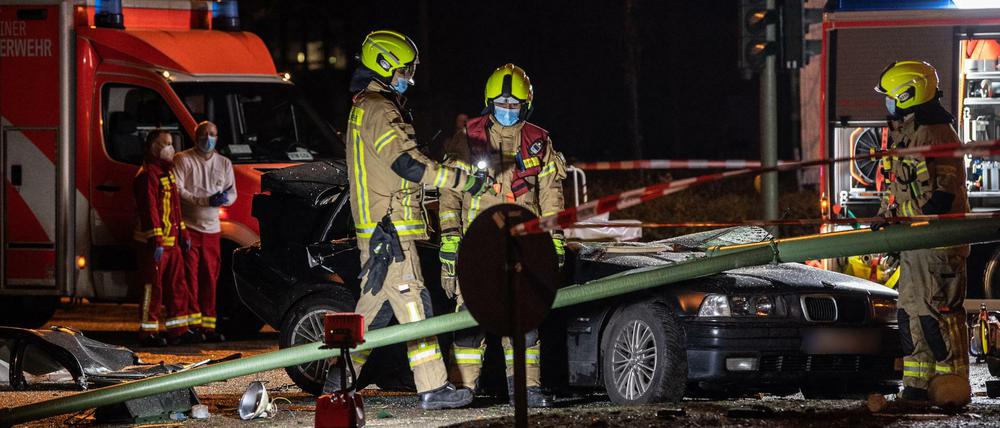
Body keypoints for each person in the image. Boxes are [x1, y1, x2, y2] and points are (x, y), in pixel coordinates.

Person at [325, 30, 493, 410]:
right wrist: (462, 180)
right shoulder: (380, 110)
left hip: (376, 227)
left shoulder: (364, 106)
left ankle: (337, 381)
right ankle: (432, 387)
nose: (409, 78)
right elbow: (407, 164)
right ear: (384, 65)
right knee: (415, 303)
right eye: (404, 70)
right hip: (391, 229)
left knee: (372, 310)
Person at [438, 63, 566, 407]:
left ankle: (527, 389)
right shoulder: (468, 137)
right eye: (501, 105)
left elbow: (551, 194)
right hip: (476, 244)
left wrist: (554, 240)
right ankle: (461, 389)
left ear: (525, 106)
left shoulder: (539, 141)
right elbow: (449, 194)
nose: (507, 112)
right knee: (468, 321)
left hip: (523, 246)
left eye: (514, 106)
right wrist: (450, 238)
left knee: (524, 320)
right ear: (488, 103)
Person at [875, 60, 971, 406]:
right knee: (911, 313)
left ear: (908, 93)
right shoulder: (910, 132)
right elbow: (905, 188)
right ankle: (918, 386)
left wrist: (901, 218)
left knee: (937, 316)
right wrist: (887, 216)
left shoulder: (936, 133)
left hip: (937, 244)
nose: (887, 103)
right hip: (916, 244)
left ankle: (951, 384)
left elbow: (939, 200)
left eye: (890, 96)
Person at [173, 121, 236, 343]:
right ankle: (192, 326)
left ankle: (209, 326)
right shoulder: (183, 159)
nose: (208, 138)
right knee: (190, 278)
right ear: (195, 135)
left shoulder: (224, 163)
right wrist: (204, 200)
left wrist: (223, 199)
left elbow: (232, 193)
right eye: (204, 134)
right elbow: (178, 191)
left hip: (212, 230)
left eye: (213, 134)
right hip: (189, 227)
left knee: (210, 278)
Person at [133, 130, 192, 347]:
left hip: (172, 242)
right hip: (154, 245)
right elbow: (150, 210)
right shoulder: (148, 174)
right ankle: (147, 331)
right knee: (152, 288)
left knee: (177, 286)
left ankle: (178, 330)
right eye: (165, 143)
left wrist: (183, 233)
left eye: (171, 142)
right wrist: (156, 240)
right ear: (152, 147)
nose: (171, 147)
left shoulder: (168, 172)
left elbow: (175, 208)